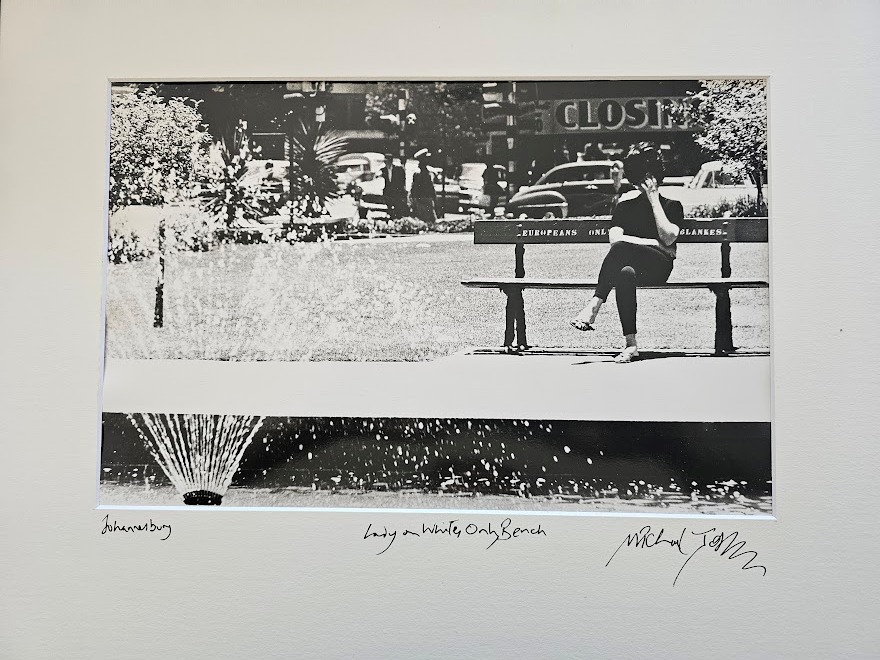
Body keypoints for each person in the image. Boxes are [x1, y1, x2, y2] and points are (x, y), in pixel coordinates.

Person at [569, 142, 684, 363]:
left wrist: (654, 201)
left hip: (657, 269)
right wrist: (656, 244)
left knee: (623, 250)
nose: (644, 183)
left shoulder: (671, 206)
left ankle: (594, 306)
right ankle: (631, 345)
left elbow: (669, 236)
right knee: (624, 273)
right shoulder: (625, 205)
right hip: (634, 267)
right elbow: (616, 241)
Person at [410, 149, 437, 225]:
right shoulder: (418, 172)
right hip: (421, 200)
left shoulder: (427, 171)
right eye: (426, 158)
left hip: (428, 199)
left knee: (431, 221)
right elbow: (414, 189)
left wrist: (433, 197)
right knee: (423, 221)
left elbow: (431, 187)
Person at [382, 154, 407, 219]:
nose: (386, 163)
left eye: (387, 161)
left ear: (390, 161)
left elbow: (402, 182)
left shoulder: (399, 169)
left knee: (398, 212)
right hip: (388, 194)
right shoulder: (383, 170)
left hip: (397, 194)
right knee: (390, 212)